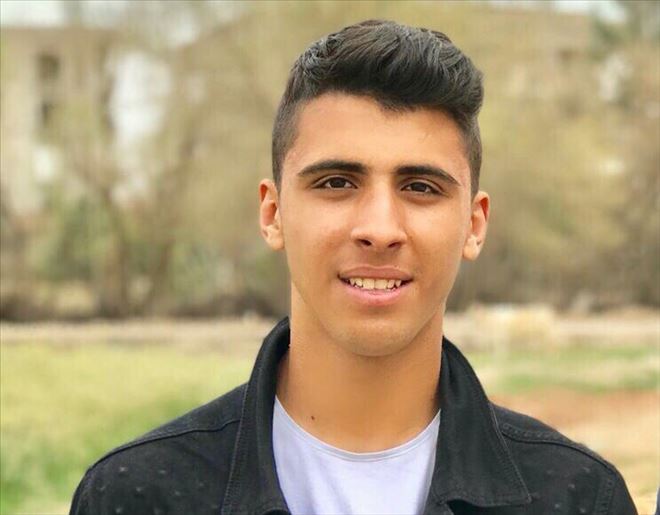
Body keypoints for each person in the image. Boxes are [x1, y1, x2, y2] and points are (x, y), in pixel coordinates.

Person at [70, 20, 637, 515]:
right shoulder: (138, 496)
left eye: (421, 187)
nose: (380, 228)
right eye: (337, 182)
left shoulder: (578, 498)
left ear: (474, 224)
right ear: (272, 214)